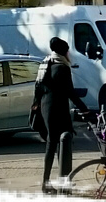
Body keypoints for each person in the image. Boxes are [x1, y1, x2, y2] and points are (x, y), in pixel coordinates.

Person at [33, 36, 90, 192]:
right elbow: (70, 92)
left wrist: (36, 104)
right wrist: (84, 109)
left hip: (46, 108)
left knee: (52, 144)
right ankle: (64, 181)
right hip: (58, 109)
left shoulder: (46, 63)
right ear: (64, 52)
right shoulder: (62, 68)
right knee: (64, 144)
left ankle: (47, 182)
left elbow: (38, 87)